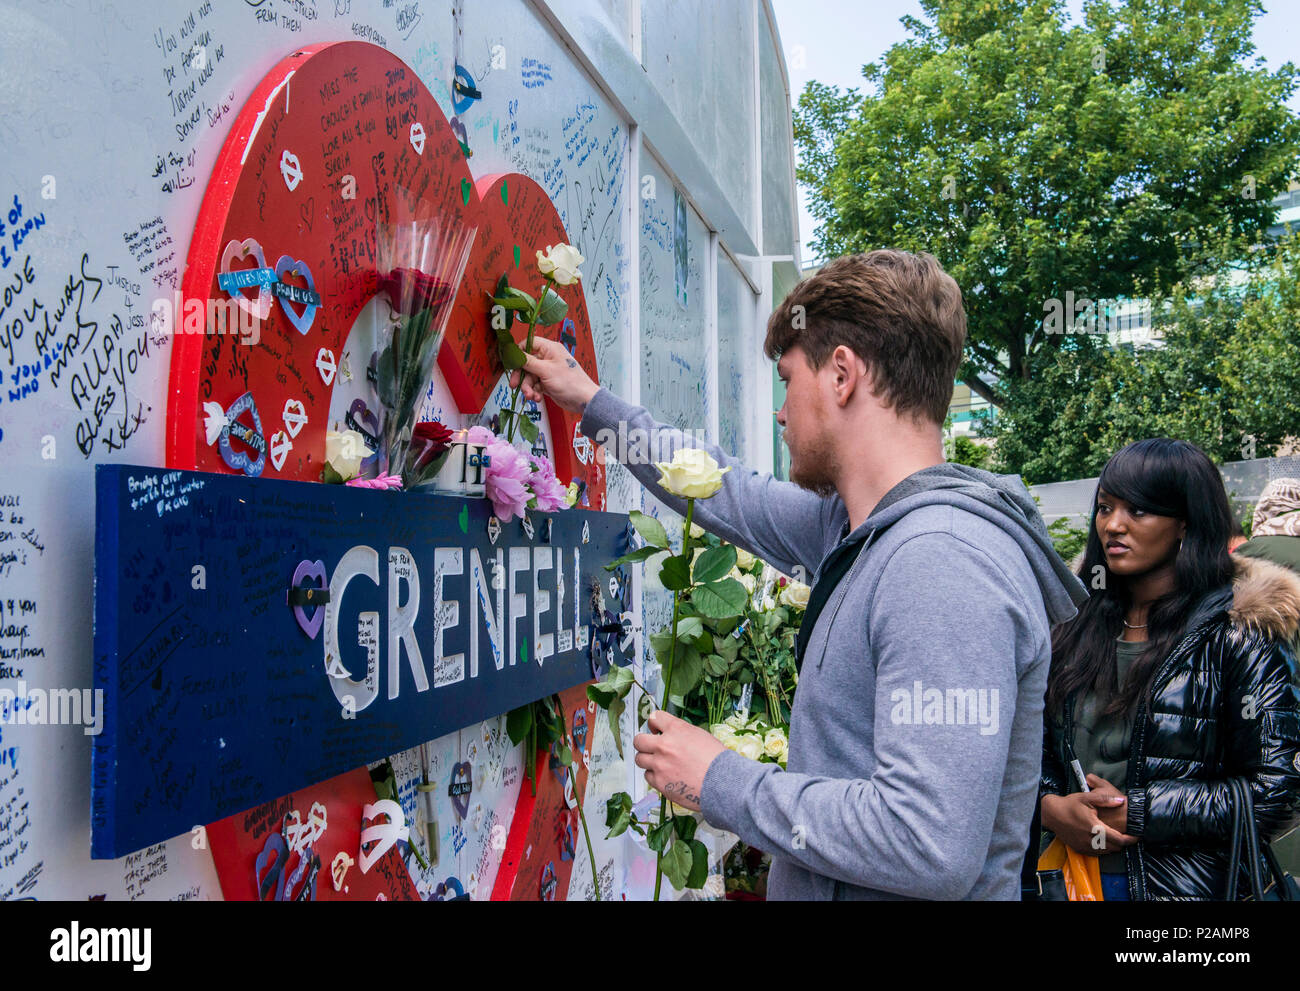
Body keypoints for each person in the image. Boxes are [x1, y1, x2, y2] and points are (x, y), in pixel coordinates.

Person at [512, 250, 1087, 899]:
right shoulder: (855, 531)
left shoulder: (940, 562)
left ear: (842, 374)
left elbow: (930, 844)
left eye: (787, 379)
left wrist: (721, 779)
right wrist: (588, 400)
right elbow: (726, 489)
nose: (781, 412)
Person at [1039, 440, 1300, 900]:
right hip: (1071, 882)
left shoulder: (1240, 631)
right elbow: (1030, 748)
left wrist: (1140, 811)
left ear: (1185, 523)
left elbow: (1276, 791)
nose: (1113, 525)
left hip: (1189, 891)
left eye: (1138, 511)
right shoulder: (1071, 624)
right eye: (1104, 508)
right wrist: (1048, 806)